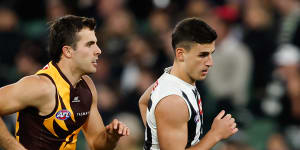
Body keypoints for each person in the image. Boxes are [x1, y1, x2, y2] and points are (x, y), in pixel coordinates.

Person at [0, 15, 129, 150]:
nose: (98, 51)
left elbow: (97, 145)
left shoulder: (87, 86)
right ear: (68, 51)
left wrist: (111, 137)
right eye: (90, 44)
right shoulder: (41, 86)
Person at [139, 17, 238, 150]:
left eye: (211, 54)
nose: (210, 62)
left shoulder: (172, 78)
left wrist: (156, 134)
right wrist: (215, 135)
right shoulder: (173, 101)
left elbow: (143, 102)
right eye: (202, 55)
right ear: (180, 54)